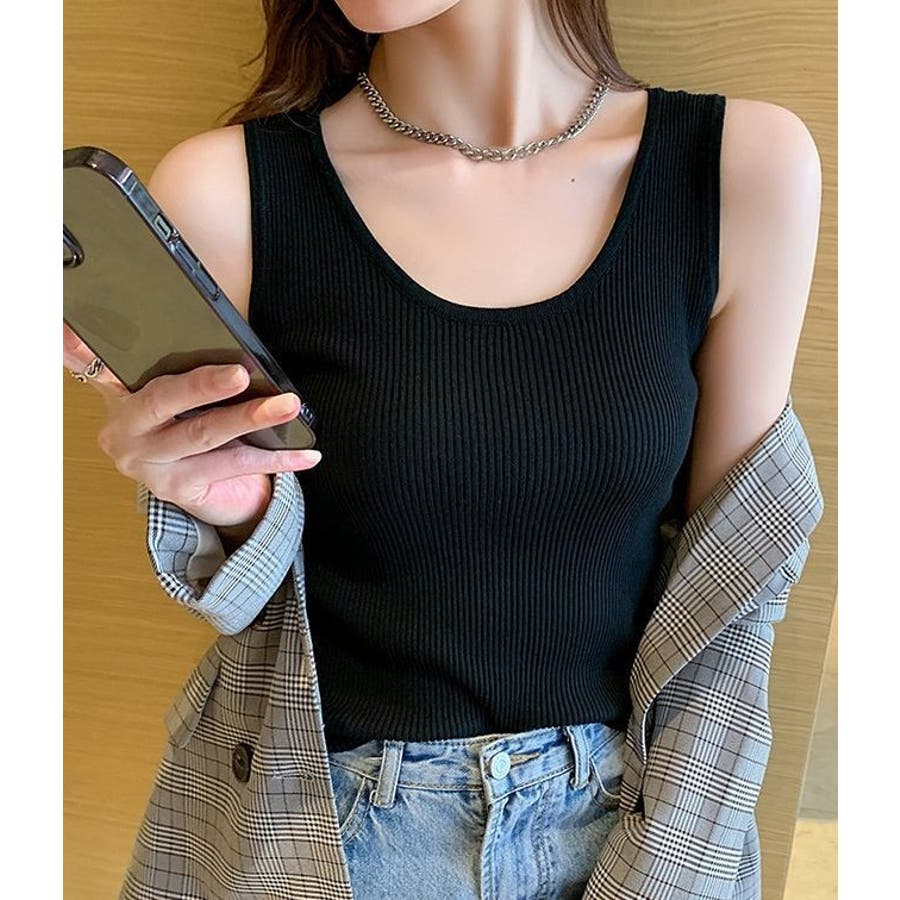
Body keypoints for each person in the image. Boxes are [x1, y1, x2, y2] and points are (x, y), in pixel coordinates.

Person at [64, 1, 822, 897]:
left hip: (628, 829)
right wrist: (231, 512)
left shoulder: (739, 168)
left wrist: (666, 872)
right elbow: (253, 605)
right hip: (326, 832)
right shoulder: (228, 191)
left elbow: (733, 596)